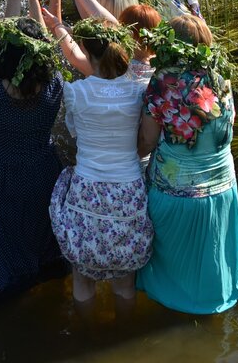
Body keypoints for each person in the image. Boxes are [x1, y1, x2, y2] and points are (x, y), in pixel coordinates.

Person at [137, 14, 238, 314]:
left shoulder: (162, 83)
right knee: (214, 258)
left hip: (176, 194)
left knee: (174, 268)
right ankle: (211, 306)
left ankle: (174, 314)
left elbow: (147, 141)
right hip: (224, 189)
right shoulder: (222, 80)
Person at [43, 16, 153, 313]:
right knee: (125, 285)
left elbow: (76, 134)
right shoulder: (138, 91)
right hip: (127, 193)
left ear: (85, 51)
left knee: (82, 281)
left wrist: (57, 27)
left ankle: (86, 339)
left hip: (87, 194)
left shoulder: (75, 93)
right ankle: (125, 342)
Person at [0, 0, 68, 302]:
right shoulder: (52, 86)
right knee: (45, 231)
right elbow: (47, 52)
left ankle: (13, 281)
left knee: (9, 232)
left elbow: (0, 40)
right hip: (44, 169)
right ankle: (49, 272)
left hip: (5, 171)